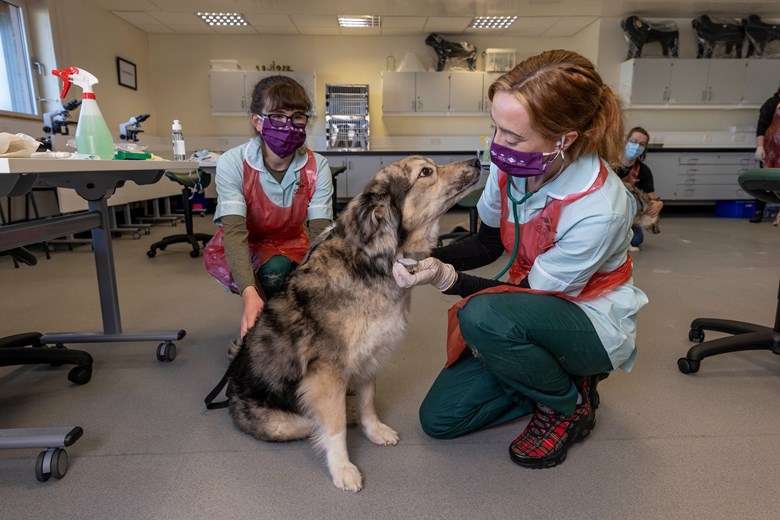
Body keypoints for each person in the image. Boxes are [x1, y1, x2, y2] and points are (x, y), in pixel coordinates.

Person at [392, 50, 648, 469]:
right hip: (525, 309)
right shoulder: (512, 167)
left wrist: (446, 278)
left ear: (564, 139)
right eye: (494, 128)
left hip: (587, 319)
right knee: (440, 418)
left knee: (482, 316)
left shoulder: (599, 206)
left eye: (512, 137)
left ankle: (568, 405)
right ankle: (550, 374)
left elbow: (530, 292)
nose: (497, 146)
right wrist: (422, 256)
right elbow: (488, 243)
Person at [204, 75, 333, 338]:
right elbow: (235, 232)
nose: (289, 125)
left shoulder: (317, 166)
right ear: (257, 120)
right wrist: (249, 294)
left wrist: (318, 284)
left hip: (293, 241)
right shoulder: (233, 163)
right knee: (275, 271)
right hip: (250, 243)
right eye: (277, 116)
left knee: (313, 282)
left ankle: (292, 331)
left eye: (297, 116)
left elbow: (320, 232)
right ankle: (267, 332)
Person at [614, 126, 663, 248]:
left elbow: (652, 198)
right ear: (626, 141)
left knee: (636, 239)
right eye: (634, 141)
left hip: (628, 216)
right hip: (608, 210)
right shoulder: (610, 163)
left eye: (641, 144)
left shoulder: (644, 171)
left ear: (644, 148)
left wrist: (659, 203)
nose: (636, 146)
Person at [749, 83, 780, 223]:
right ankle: (758, 211)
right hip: (771, 148)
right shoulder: (772, 103)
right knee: (765, 181)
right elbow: (761, 125)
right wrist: (760, 147)